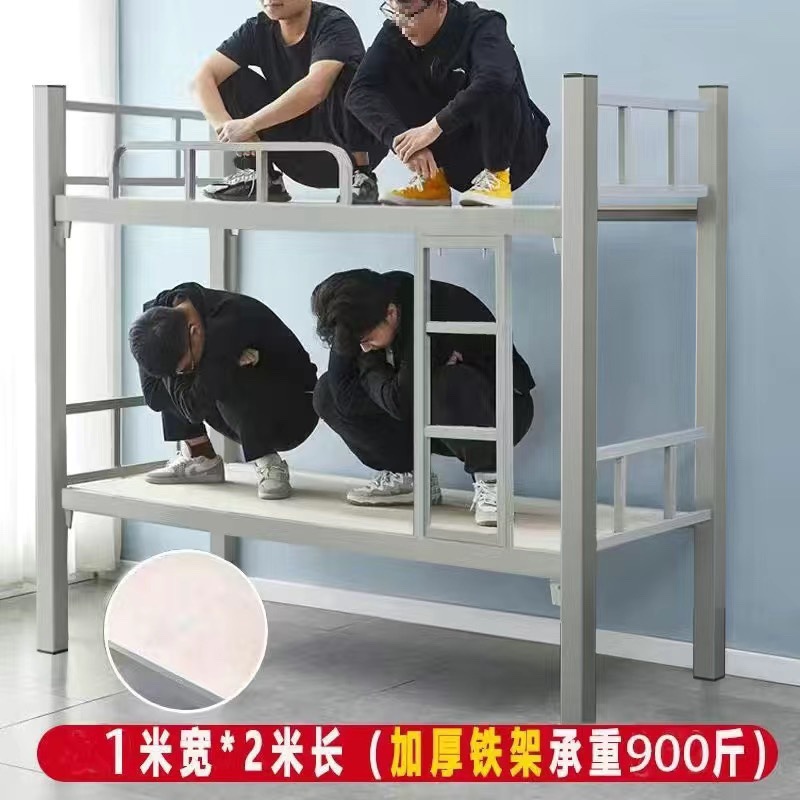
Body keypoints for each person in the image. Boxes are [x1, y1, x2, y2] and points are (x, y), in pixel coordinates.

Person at [310, 269, 535, 526]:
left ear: (391, 313)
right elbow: (343, 397)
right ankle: (409, 477)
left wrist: (369, 362)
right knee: (325, 393)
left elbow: (402, 401)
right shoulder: (352, 317)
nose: (363, 347)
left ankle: (492, 482)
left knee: (445, 382)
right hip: (422, 412)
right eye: (358, 345)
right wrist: (382, 370)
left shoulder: (429, 308)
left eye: (368, 340)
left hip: (499, 411)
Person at [346, 0, 550, 208]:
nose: (401, 24)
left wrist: (433, 128)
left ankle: (497, 176)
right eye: (394, 13)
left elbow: (496, 79)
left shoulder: (483, 24)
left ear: (440, 5)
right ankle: (432, 180)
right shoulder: (395, 29)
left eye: (409, 15)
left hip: (512, 153)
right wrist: (402, 141)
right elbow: (359, 91)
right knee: (381, 77)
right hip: (453, 157)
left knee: (496, 75)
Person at [129, 282, 319, 500]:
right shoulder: (156, 314)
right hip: (241, 408)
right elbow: (154, 396)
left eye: (185, 367)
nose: (182, 373)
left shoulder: (228, 322)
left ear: (194, 331)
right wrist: (179, 371)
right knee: (184, 380)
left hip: (293, 411)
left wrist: (186, 372)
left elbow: (192, 408)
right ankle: (201, 456)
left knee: (220, 375)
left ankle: (269, 463)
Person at [192, 0, 387, 204]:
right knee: (228, 79)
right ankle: (261, 176)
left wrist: (250, 124)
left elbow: (315, 88)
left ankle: (362, 176)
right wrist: (228, 129)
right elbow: (201, 80)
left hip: (346, 151)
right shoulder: (257, 28)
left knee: (344, 73)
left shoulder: (334, 23)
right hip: (297, 154)